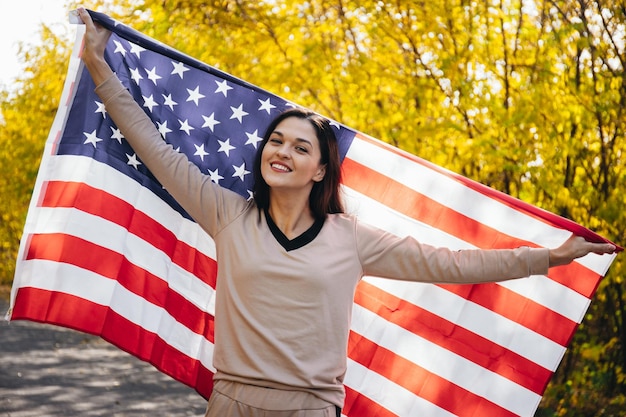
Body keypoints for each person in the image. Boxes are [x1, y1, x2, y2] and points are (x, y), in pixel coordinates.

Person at [76, 8, 617, 417]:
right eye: (276, 141)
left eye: (300, 147)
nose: (282, 152)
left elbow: (454, 264)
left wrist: (550, 256)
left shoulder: (351, 238)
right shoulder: (228, 216)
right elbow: (153, 147)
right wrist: (100, 67)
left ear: (319, 171)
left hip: (313, 408)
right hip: (232, 402)